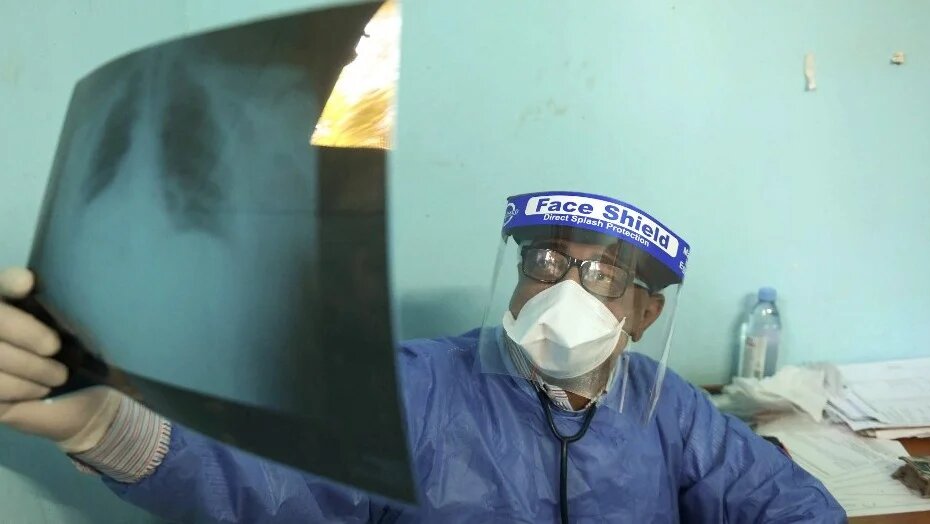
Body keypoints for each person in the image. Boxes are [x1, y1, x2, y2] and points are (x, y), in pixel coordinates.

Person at [0, 191, 845, 522]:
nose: (564, 291)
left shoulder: (664, 406)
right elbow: (272, 478)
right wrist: (110, 425)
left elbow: (786, 504)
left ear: (645, 310)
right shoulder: (420, 386)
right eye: (545, 263)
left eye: (601, 274)